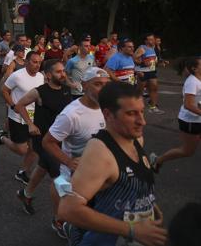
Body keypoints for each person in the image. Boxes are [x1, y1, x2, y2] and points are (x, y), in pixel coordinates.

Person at [58, 82, 166, 246]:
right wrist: (131, 230)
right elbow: (68, 209)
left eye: (142, 112)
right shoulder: (100, 153)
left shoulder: (136, 139)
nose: (142, 121)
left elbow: (132, 185)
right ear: (108, 114)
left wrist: (150, 207)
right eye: (131, 114)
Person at [13, 59, 72, 232]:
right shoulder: (39, 92)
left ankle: (26, 194)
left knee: (43, 167)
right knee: (58, 178)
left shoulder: (67, 90)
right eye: (59, 72)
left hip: (60, 139)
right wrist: (30, 124)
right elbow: (19, 105)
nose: (63, 74)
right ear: (48, 75)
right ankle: (58, 219)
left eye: (63, 71)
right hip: (43, 140)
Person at [0, 51, 44, 185]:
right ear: (26, 62)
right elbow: (4, 90)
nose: (37, 65)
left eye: (39, 62)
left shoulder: (40, 77)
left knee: (35, 148)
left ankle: (22, 172)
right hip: (17, 116)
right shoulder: (17, 75)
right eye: (34, 62)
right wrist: (12, 105)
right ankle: (2, 138)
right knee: (22, 150)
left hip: (35, 117)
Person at [150, 56, 201, 171]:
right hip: (190, 121)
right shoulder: (192, 82)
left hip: (198, 119)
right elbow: (188, 105)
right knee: (187, 151)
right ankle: (157, 160)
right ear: (194, 68)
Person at [134, 33, 163, 114]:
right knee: (140, 91)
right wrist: (142, 63)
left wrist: (160, 63)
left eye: (153, 39)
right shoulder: (142, 48)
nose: (152, 41)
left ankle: (153, 107)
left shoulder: (154, 48)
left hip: (151, 71)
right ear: (146, 41)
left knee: (154, 88)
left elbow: (154, 59)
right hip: (142, 72)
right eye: (150, 39)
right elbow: (134, 58)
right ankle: (136, 107)